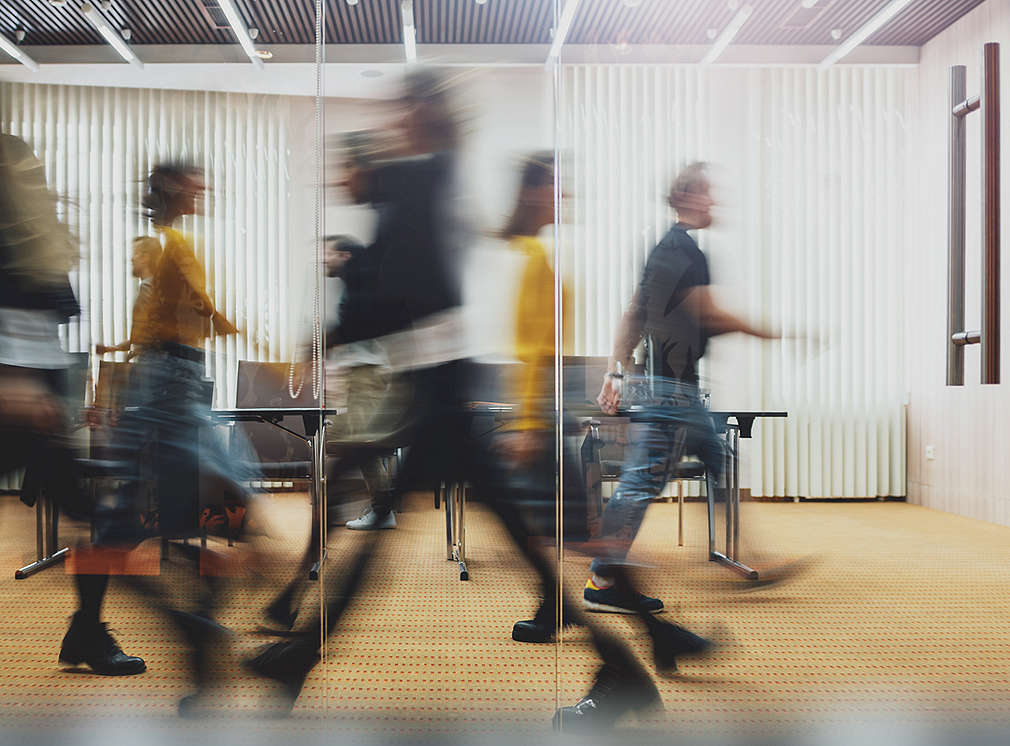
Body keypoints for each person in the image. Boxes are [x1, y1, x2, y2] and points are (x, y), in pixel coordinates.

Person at [91, 162, 245, 711]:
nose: (206, 192)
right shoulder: (174, 244)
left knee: (133, 518)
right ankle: (195, 628)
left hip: (166, 382)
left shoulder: (170, 248)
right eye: (197, 184)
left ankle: (98, 627)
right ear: (177, 190)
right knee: (220, 510)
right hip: (172, 384)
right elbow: (200, 310)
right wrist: (237, 328)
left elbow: (163, 327)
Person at [0, 133, 145, 676]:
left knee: (104, 514)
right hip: (13, 393)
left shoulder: (36, 241)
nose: (37, 181)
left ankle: (86, 631)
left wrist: (68, 396)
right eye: (25, 172)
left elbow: (46, 328)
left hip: (42, 393)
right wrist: (11, 381)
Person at [94, 236, 162, 359]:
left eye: (135, 254)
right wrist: (112, 349)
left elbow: (147, 337)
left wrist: (134, 352)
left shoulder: (147, 288)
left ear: (145, 258)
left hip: (151, 363)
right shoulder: (158, 286)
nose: (131, 259)